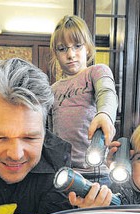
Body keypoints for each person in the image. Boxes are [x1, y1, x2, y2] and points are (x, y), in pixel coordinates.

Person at [0, 58, 114, 214]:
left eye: (29, 138)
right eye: (0, 138)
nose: (15, 154)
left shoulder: (58, 157)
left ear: (44, 131)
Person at [48, 15, 118, 185]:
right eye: (62, 49)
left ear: (87, 48)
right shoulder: (53, 89)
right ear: (56, 54)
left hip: (97, 171)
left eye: (77, 46)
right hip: (63, 173)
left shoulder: (96, 72)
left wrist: (105, 115)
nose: (71, 54)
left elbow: (107, 92)